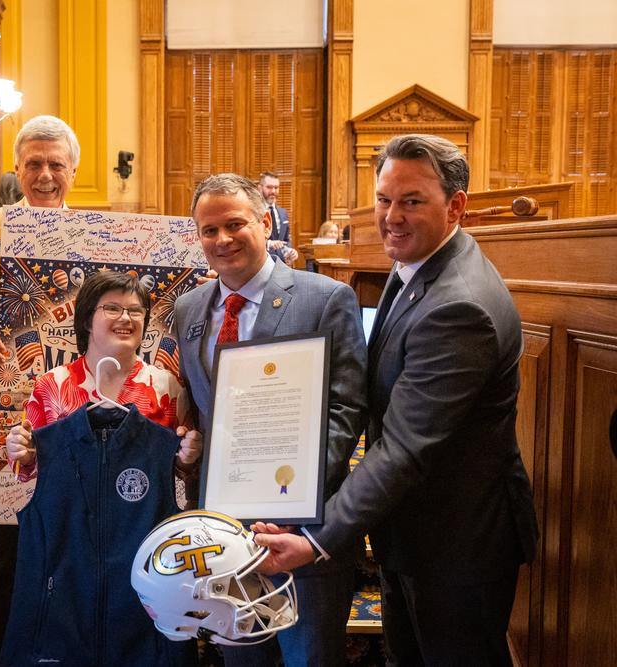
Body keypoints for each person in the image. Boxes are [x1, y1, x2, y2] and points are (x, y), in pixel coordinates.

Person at [252, 134, 539, 665]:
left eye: (411, 201)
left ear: (456, 206)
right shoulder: (421, 264)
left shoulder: (459, 308)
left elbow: (403, 448)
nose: (391, 217)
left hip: (456, 545)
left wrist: (315, 539)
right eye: (385, 199)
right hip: (414, 534)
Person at [173, 173, 367, 667]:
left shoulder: (324, 298)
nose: (222, 240)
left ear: (264, 222)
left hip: (300, 525)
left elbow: (346, 409)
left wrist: (294, 488)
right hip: (224, 533)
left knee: (311, 659)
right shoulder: (189, 308)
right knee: (242, 660)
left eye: (234, 224)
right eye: (208, 230)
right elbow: (202, 408)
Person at [0, 270, 202, 665]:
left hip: (142, 542)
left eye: (136, 310)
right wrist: (21, 453)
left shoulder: (167, 386)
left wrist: (186, 459)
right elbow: (32, 470)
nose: (126, 318)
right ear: (87, 317)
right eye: (112, 308)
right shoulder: (52, 385)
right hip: (69, 546)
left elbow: (177, 471)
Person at [0, 114, 80, 663]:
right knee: (6, 563)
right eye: (34, 164)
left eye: (56, 165)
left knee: (75, 557)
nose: (45, 175)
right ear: (17, 169)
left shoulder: (102, 232)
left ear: (74, 170)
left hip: (77, 427)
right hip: (4, 426)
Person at [257, 171, 299, 264]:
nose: (273, 191)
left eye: (276, 187)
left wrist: (290, 251)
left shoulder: (283, 213)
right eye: (269, 187)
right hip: (261, 264)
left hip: (281, 264)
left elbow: (286, 239)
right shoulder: (254, 211)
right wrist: (269, 244)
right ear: (260, 188)